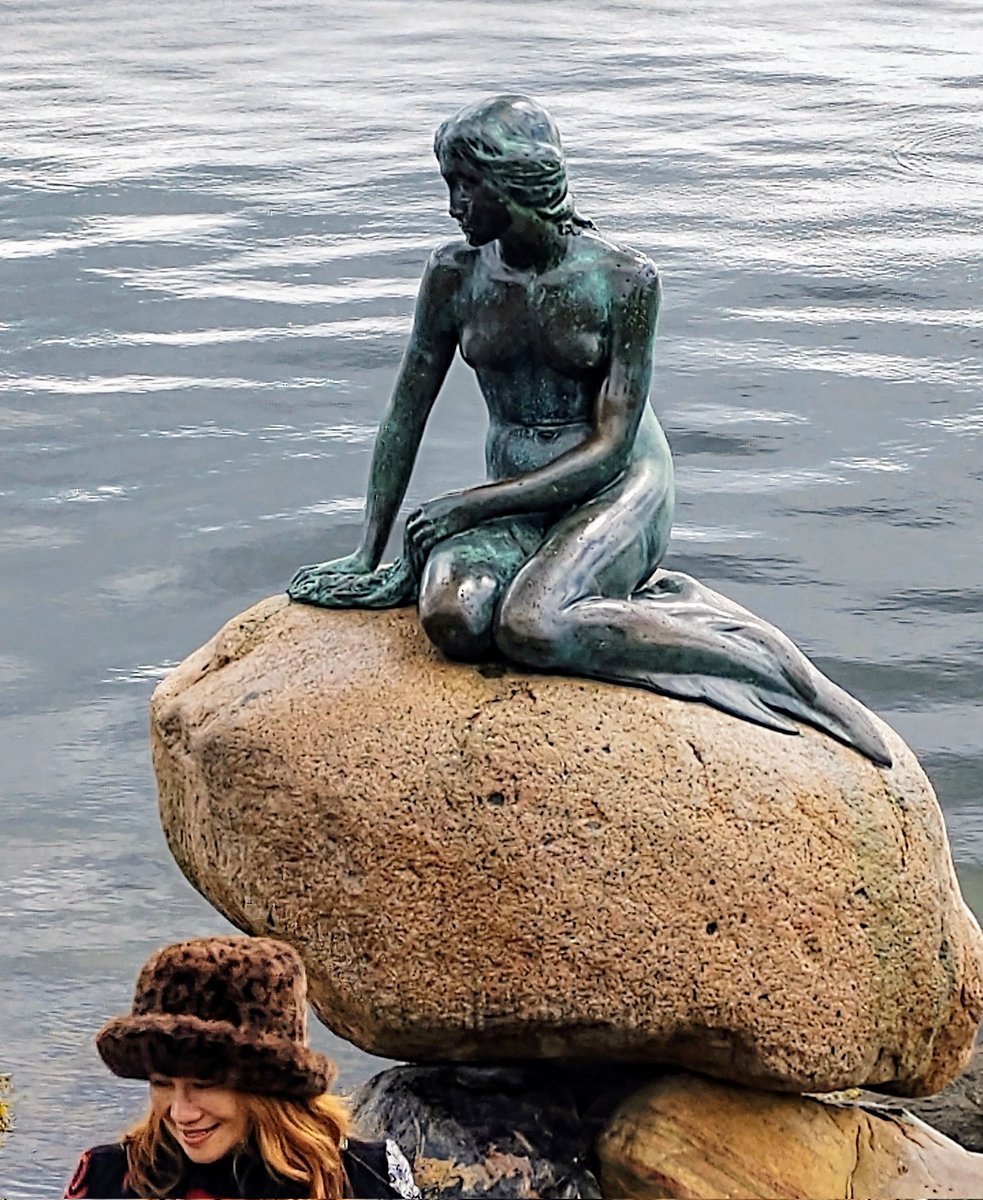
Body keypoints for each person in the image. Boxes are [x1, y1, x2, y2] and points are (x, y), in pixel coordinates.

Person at [287, 93, 890, 768]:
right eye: (448, 185)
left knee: (530, 624)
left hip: (618, 487)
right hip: (519, 490)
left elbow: (608, 448)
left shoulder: (623, 279)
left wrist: (468, 507)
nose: (452, 203)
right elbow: (406, 409)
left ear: (515, 182)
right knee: (454, 619)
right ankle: (604, 603)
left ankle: (768, 669)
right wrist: (367, 553)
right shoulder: (453, 275)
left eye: (466, 185)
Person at [64, 936, 419, 1200]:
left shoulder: (367, 1179)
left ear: (266, 1087)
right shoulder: (108, 1179)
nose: (180, 1111)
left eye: (204, 1084)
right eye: (162, 1083)